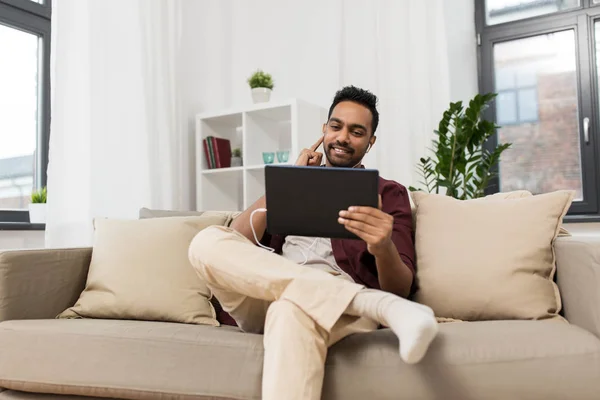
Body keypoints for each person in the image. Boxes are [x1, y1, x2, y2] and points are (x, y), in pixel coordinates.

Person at [188, 86, 438, 400]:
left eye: (357, 131)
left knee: (289, 310)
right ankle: (376, 305)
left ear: (370, 142)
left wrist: (382, 245)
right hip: (266, 287)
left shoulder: (388, 193)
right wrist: (289, 181)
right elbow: (238, 237)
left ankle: (367, 302)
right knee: (205, 241)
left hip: (328, 307)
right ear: (324, 130)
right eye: (336, 126)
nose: (343, 137)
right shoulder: (293, 179)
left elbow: (401, 286)